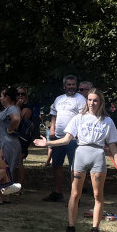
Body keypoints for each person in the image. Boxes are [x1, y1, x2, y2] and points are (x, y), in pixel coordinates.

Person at [35, 88, 117, 232]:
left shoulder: (107, 121)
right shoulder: (78, 118)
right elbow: (66, 139)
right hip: (80, 155)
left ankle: (95, 229)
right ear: (86, 101)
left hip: (98, 156)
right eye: (89, 100)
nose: (92, 103)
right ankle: (71, 227)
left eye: (95, 100)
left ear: (100, 102)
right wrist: (48, 143)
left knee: (98, 195)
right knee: (75, 193)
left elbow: (113, 146)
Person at [42, 75, 86, 203]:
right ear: (64, 86)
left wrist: (78, 133)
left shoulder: (80, 99)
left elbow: (82, 118)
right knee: (56, 165)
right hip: (58, 138)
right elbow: (54, 115)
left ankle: (75, 196)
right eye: (69, 84)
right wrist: (52, 129)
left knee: (74, 168)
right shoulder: (58, 99)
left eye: (73, 84)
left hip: (73, 139)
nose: (71, 87)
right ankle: (58, 193)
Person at [0, 87, 23, 196]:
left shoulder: (11, 108)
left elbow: (16, 119)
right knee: (5, 167)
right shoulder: (10, 108)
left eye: (2, 96)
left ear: (7, 97)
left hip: (5, 142)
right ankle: (5, 196)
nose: (0, 98)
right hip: (3, 141)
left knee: (2, 167)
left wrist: (10, 130)